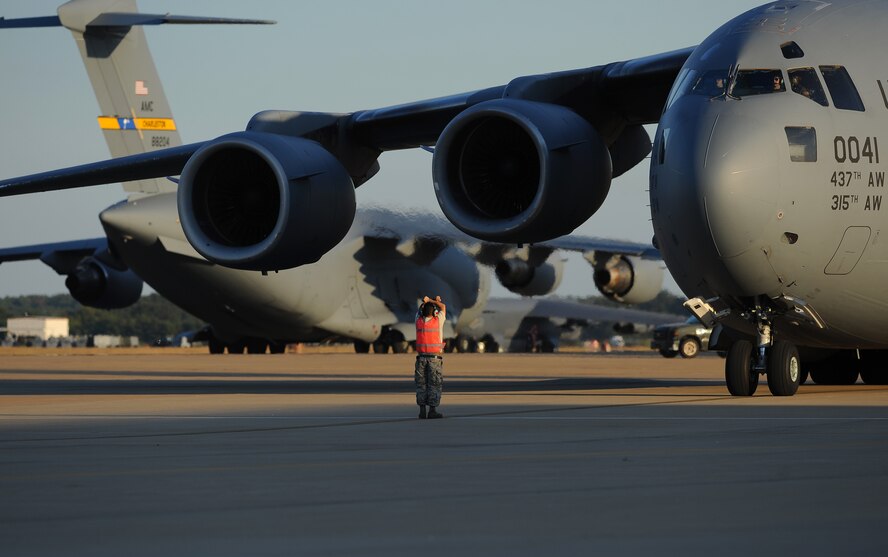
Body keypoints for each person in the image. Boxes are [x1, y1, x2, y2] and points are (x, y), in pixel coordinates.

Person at [415, 295, 446, 419]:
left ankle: (422, 410)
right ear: (434, 312)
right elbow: (443, 307)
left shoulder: (418, 321)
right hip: (434, 358)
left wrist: (425, 302)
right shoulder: (437, 321)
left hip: (421, 358)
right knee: (434, 383)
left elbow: (419, 310)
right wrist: (434, 301)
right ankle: (432, 410)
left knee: (421, 384)